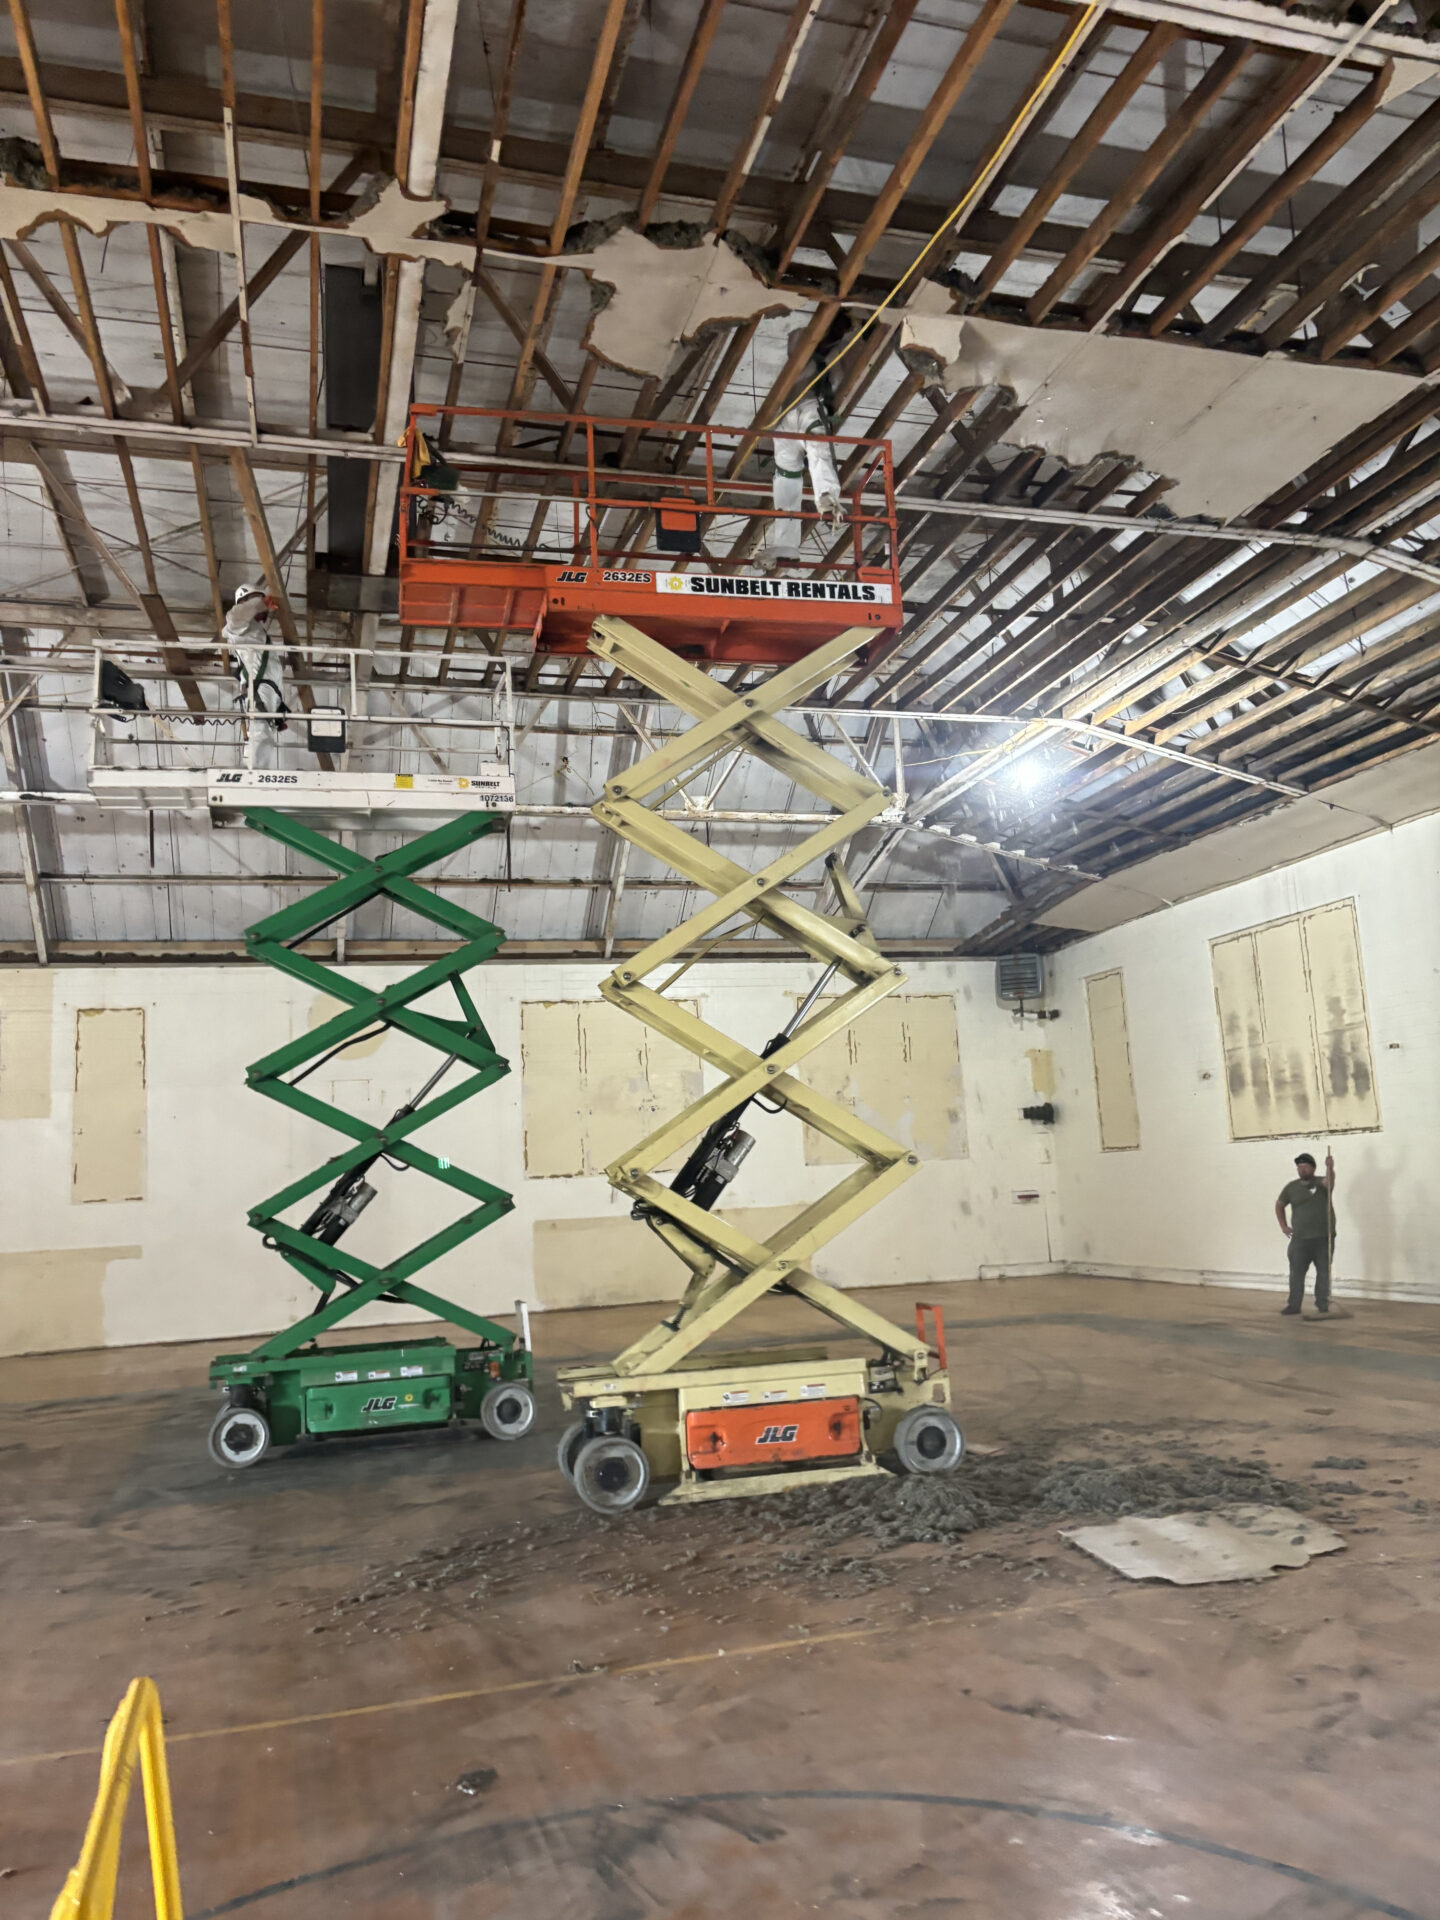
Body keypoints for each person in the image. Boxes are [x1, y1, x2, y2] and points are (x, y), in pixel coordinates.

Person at [766, 325, 846, 568]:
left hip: (810, 408)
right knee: (785, 477)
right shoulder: (795, 368)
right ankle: (787, 544)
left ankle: (827, 496)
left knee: (817, 449)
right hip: (788, 417)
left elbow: (839, 377)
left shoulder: (821, 362)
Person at [222, 581, 287, 769]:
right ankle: (254, 772)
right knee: (260, 729)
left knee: (262, 729)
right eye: (254, 600)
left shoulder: (253, 631)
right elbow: (235, 617)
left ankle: (256, 770)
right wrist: (261, 601)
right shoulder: (240, 628)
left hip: (265, 688)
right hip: (260, 687)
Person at [1275, 1150, 1335, 1316]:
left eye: (1305, 1167)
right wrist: (1284, 1226)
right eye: (1299, 1167)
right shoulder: (1291, 1187)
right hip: (1300, 1240)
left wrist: (1330, 1167)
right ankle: (1294, 1305)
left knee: (1323, 1271)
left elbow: (1330, 1182)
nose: (1302, 1170)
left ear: (1313, 1168)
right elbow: (1279, 1204)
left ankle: (1322, 1303)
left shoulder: (1321, 1183)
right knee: (1296, 1273)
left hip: (1323, 1237)